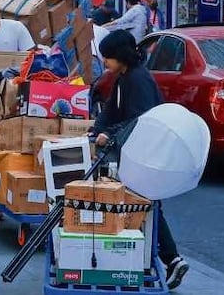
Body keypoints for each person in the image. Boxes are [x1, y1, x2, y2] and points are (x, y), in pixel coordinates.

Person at [90, 31, 190, 290]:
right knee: (147, 204)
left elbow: (138, 119)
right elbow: (111, 109)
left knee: (147, 204)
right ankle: (169, 259)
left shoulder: (138, 80)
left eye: (108, 58)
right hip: (136, 151)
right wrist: (96, 128)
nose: (105, 63)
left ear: (120, 56)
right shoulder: (123, 78)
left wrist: (107, 135)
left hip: (146, 152)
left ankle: (170, 259)